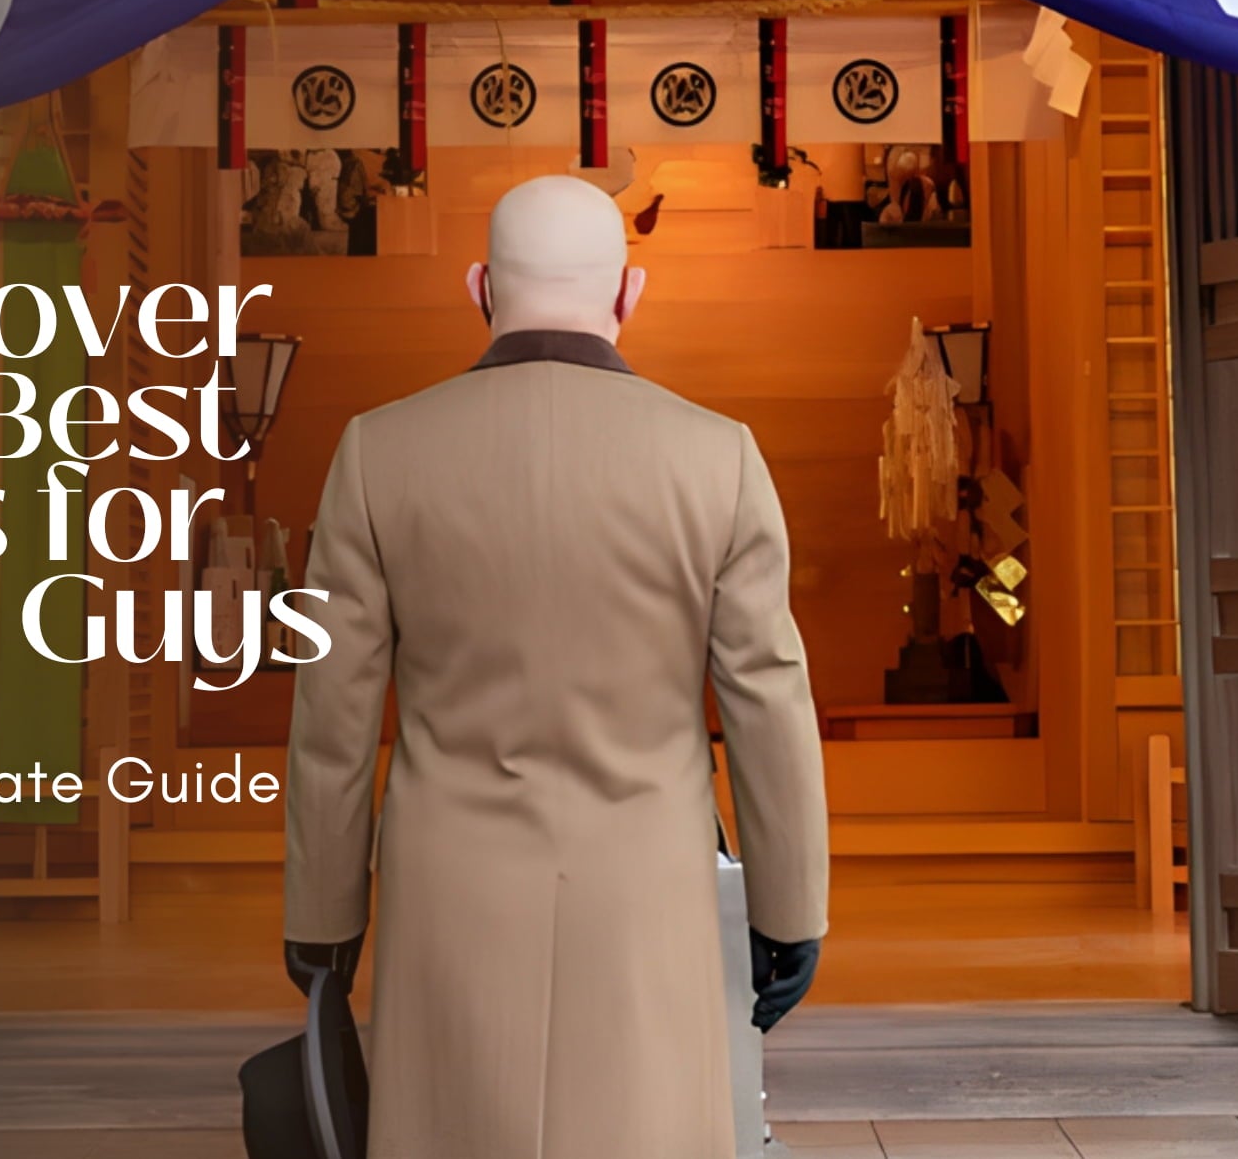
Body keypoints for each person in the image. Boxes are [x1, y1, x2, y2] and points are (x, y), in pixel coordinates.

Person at [282, 174, 830, 1158]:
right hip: (643, 887)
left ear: (478, 286)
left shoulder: (378, 453)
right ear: (630, 293)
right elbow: (766, 697)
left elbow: (333, 714)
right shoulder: (717, 457)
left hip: (449, 890)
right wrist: (789, 907)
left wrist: (322, 919)